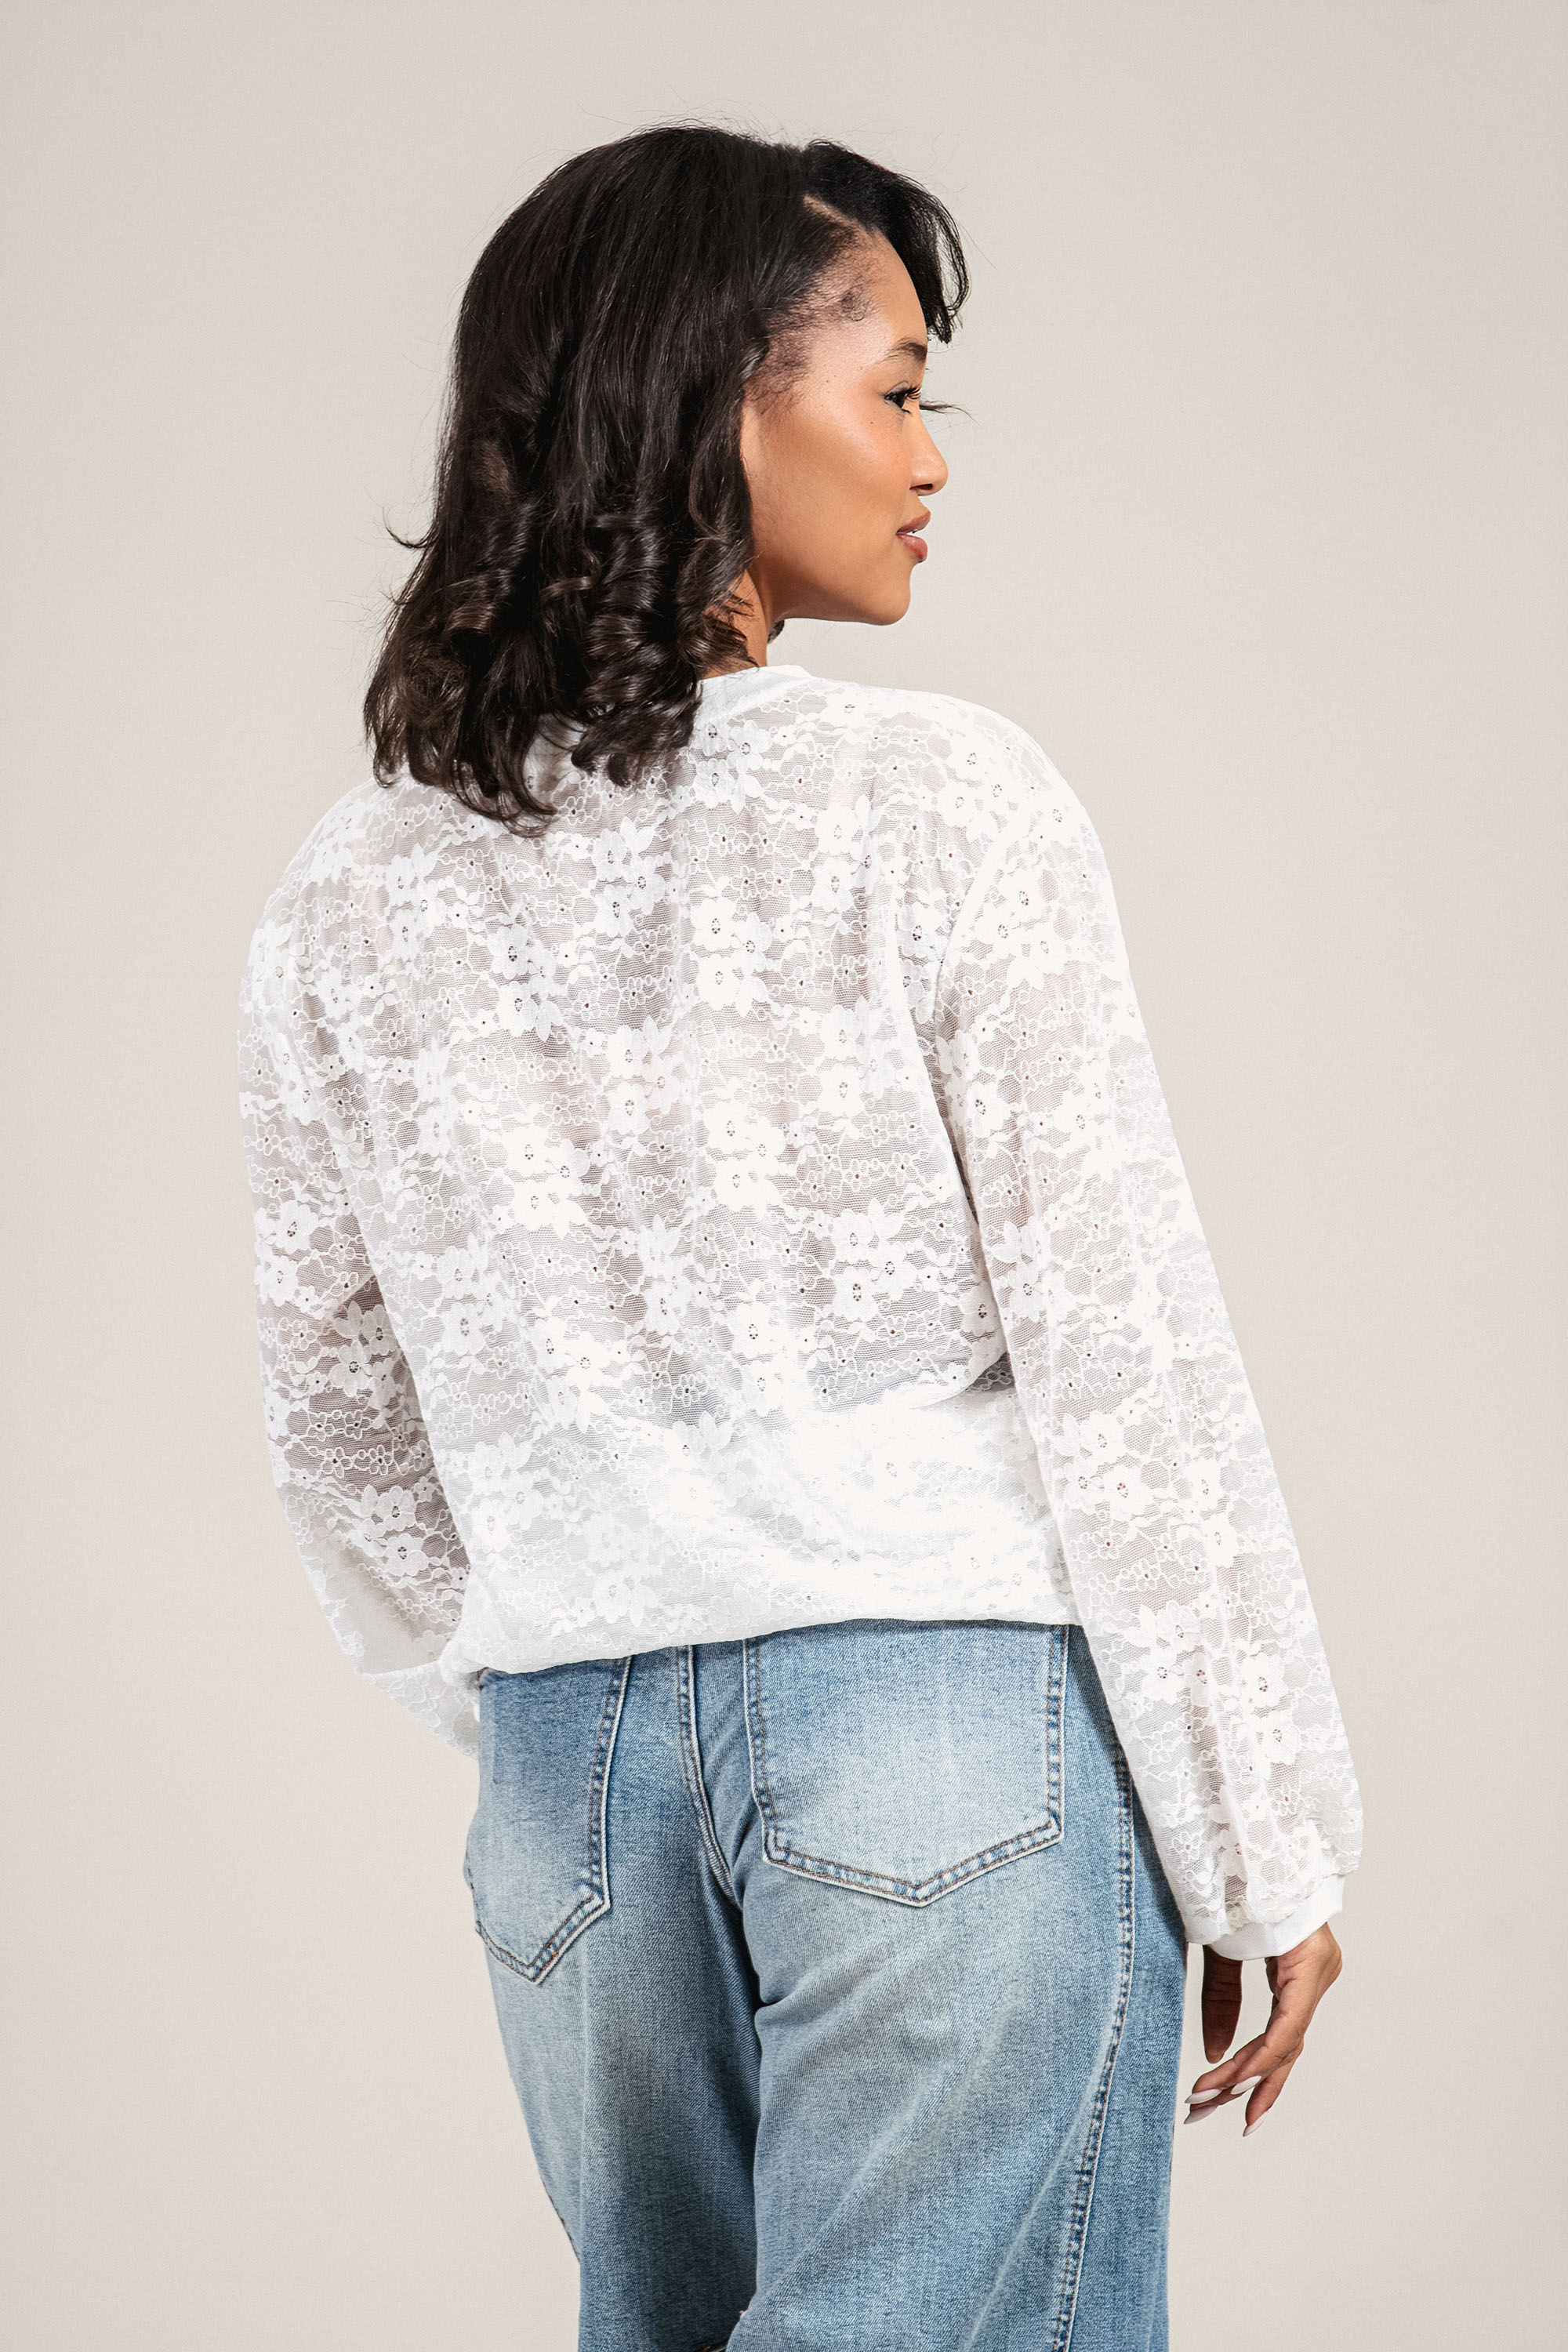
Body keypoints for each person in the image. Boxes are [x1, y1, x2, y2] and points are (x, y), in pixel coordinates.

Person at [238, 125, 1362, 2352]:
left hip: (572, 1792)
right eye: (899, 389)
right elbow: (1121, 1350)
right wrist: (1261, 1830)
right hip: (948, 1731)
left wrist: (579, 1640)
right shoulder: (943, 803)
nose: (930, 459)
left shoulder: (348, 896)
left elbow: (340, 1420)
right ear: (715, 403)